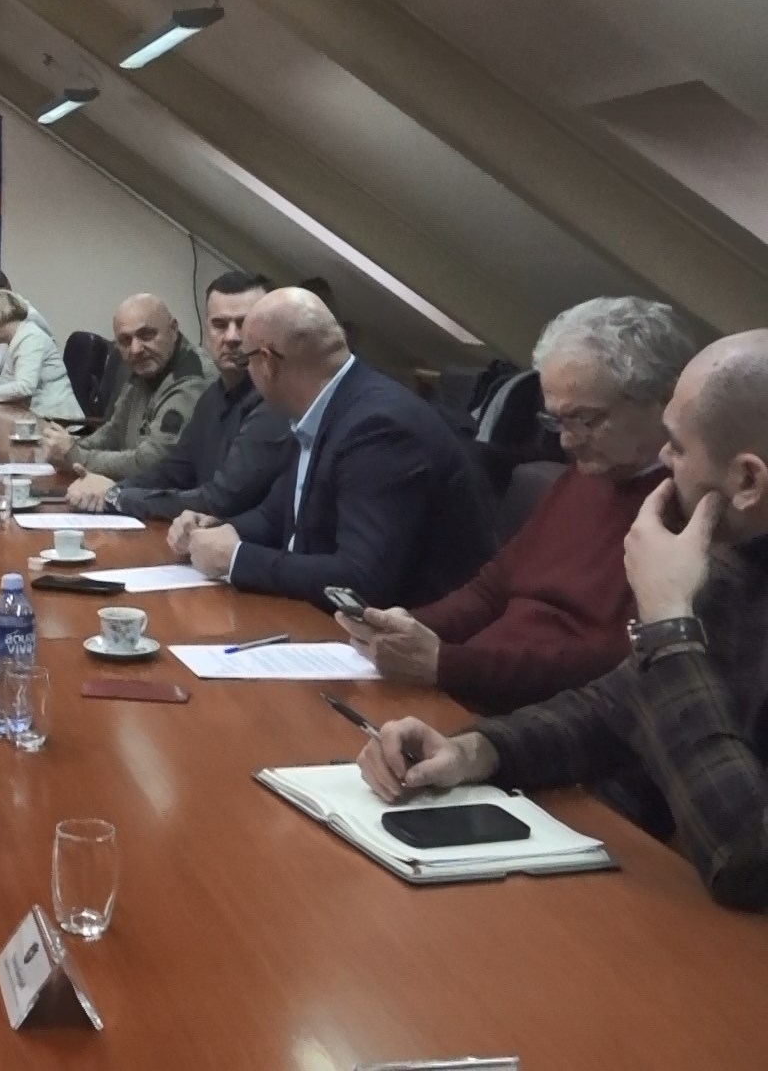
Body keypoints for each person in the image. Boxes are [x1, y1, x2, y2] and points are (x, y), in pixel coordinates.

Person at [358, 330, 768, 910]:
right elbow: (617, 705)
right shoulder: (739, 560)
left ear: (747, 481)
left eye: (677, 447)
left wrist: (667, 623)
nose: (664, 461)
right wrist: (477, 750)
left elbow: (749, 858)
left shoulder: (707, 566)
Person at [336, 297, 695, 713]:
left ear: (666, 400)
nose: (567, 440)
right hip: (471, 690)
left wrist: (447, 663)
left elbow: (612, 666)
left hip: (534, 719)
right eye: (556, 420)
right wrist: (407, 625)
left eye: (586, 419)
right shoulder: (590, 472)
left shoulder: (686, 511)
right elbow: (493, 589)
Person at [170, 288, 494, 608]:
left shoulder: (379, 428)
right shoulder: (322, 406)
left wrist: (236, 559)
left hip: (413, 629)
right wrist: (218, 530)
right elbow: (276, 515)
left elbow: (361, 580)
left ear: (267, 363)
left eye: (247, 359)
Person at [86, 272, 293, 519]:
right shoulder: (212, 396)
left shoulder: (275, 402)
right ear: (206, 329)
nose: (231, 337)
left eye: (243, 323)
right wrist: (115, 491)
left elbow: (222, 499)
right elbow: (174, 470)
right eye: (219, 325)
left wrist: (120, 498)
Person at [45, 294, 208, 503]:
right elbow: (114, 431)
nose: (136, 349)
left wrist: (76, 456)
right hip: (138, 495)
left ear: (173, 329)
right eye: (125, 340)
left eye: (147, 335)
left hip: (176, 504)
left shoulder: (192, 379)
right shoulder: (148, 366)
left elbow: (153, 463)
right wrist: (70, 446)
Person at [0, 289, 83, 420]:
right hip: (35, 416)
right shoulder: (16, 338)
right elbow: (7, 380)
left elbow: (24, 387)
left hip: (58, 420)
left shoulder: (30, 338)